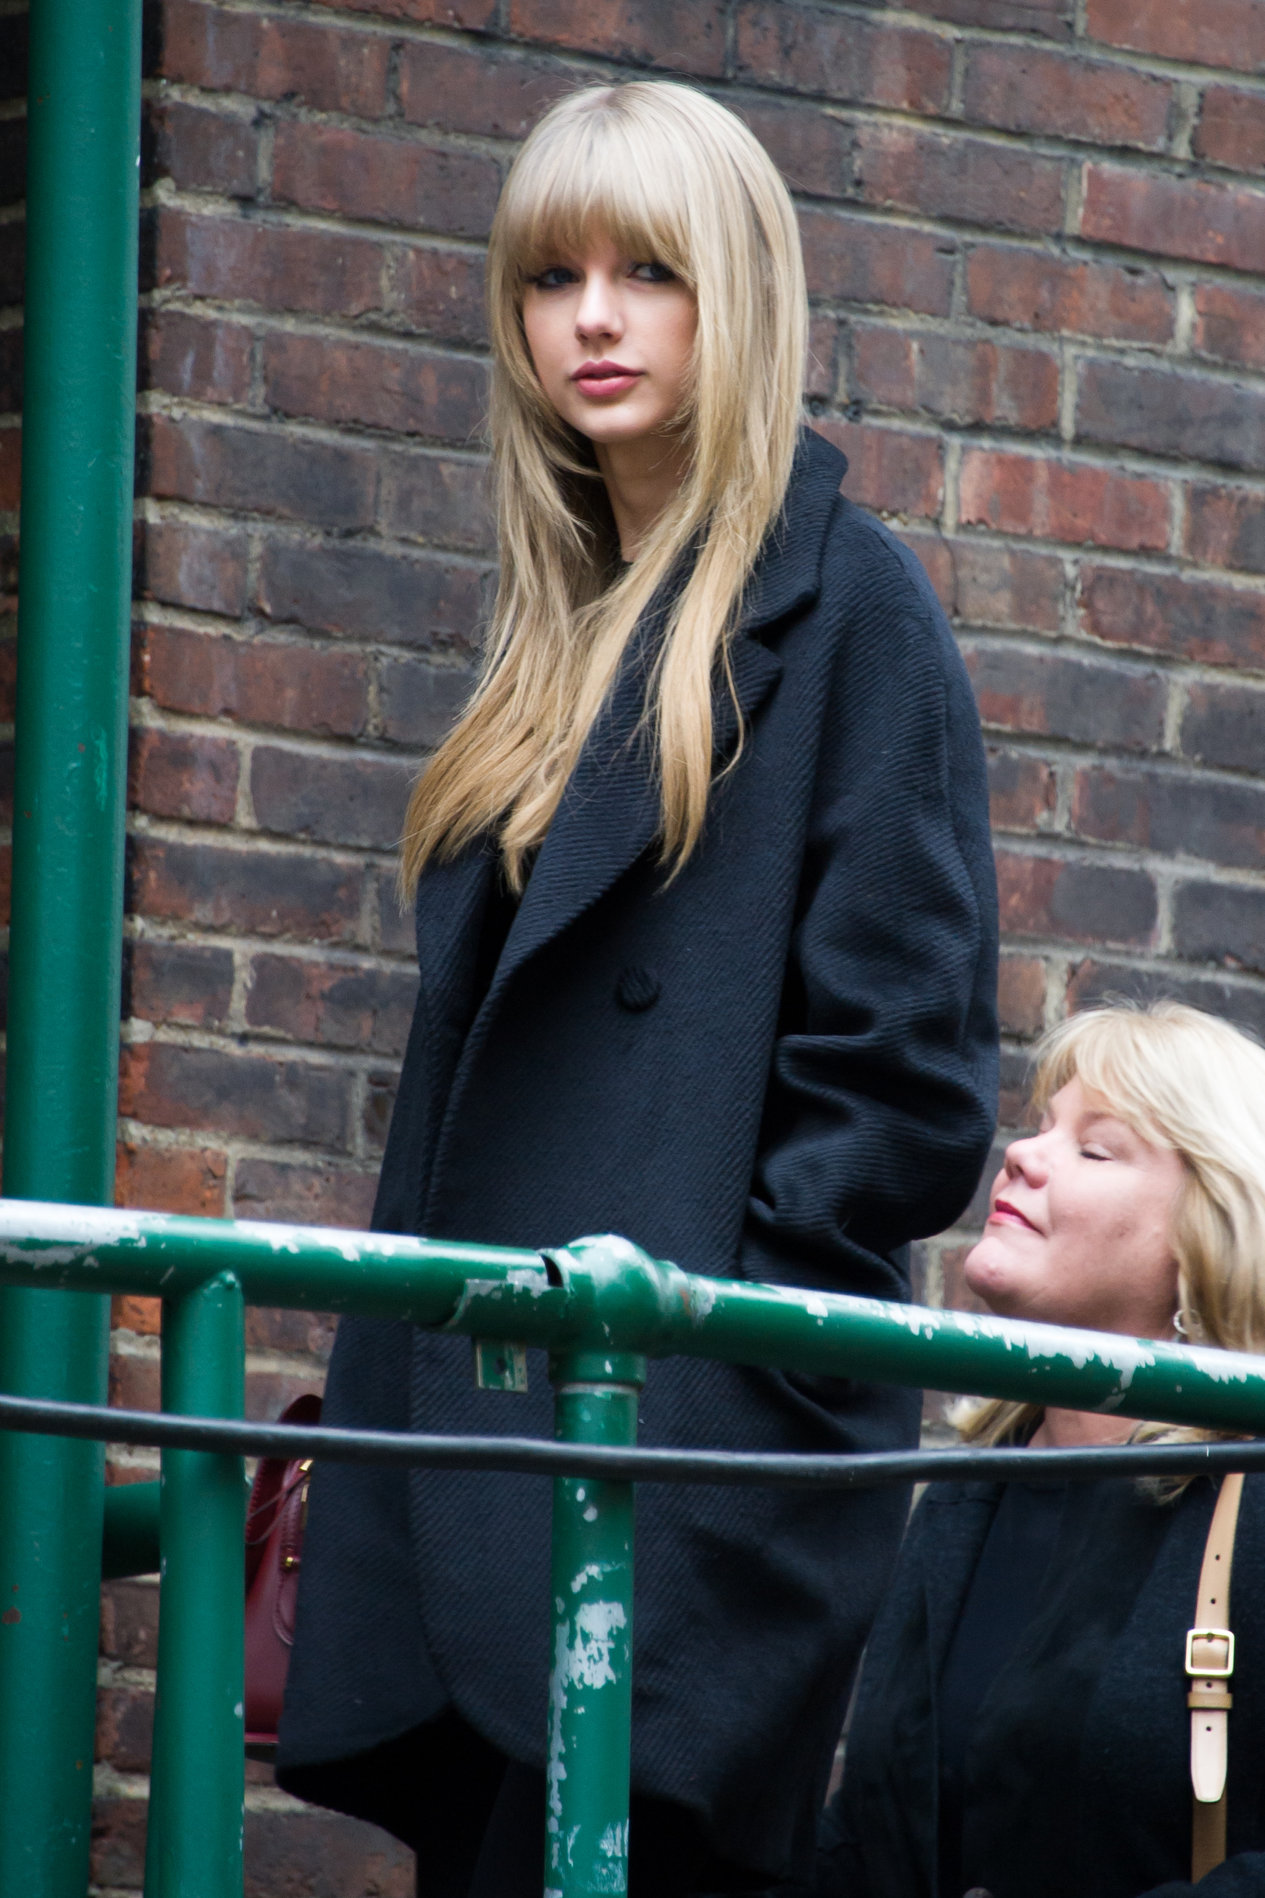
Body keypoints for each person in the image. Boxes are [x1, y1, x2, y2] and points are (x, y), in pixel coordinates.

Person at [275, 79, 998, 1898]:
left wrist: (705, 1388)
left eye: (649, 271)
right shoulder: (556, 645)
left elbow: (901, 1085)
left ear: (735, 295)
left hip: (669, 1469)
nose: (591, 317)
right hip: (495, 1448)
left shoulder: (852, 617)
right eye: (552, 276)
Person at [820, 1000, 1265, 1898]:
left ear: (1207, 1234)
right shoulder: (964, 1495)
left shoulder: (1251, 1499)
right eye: (1038, 1128)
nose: (1020, 1154)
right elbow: (866, 1843)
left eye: (1094, 1149)